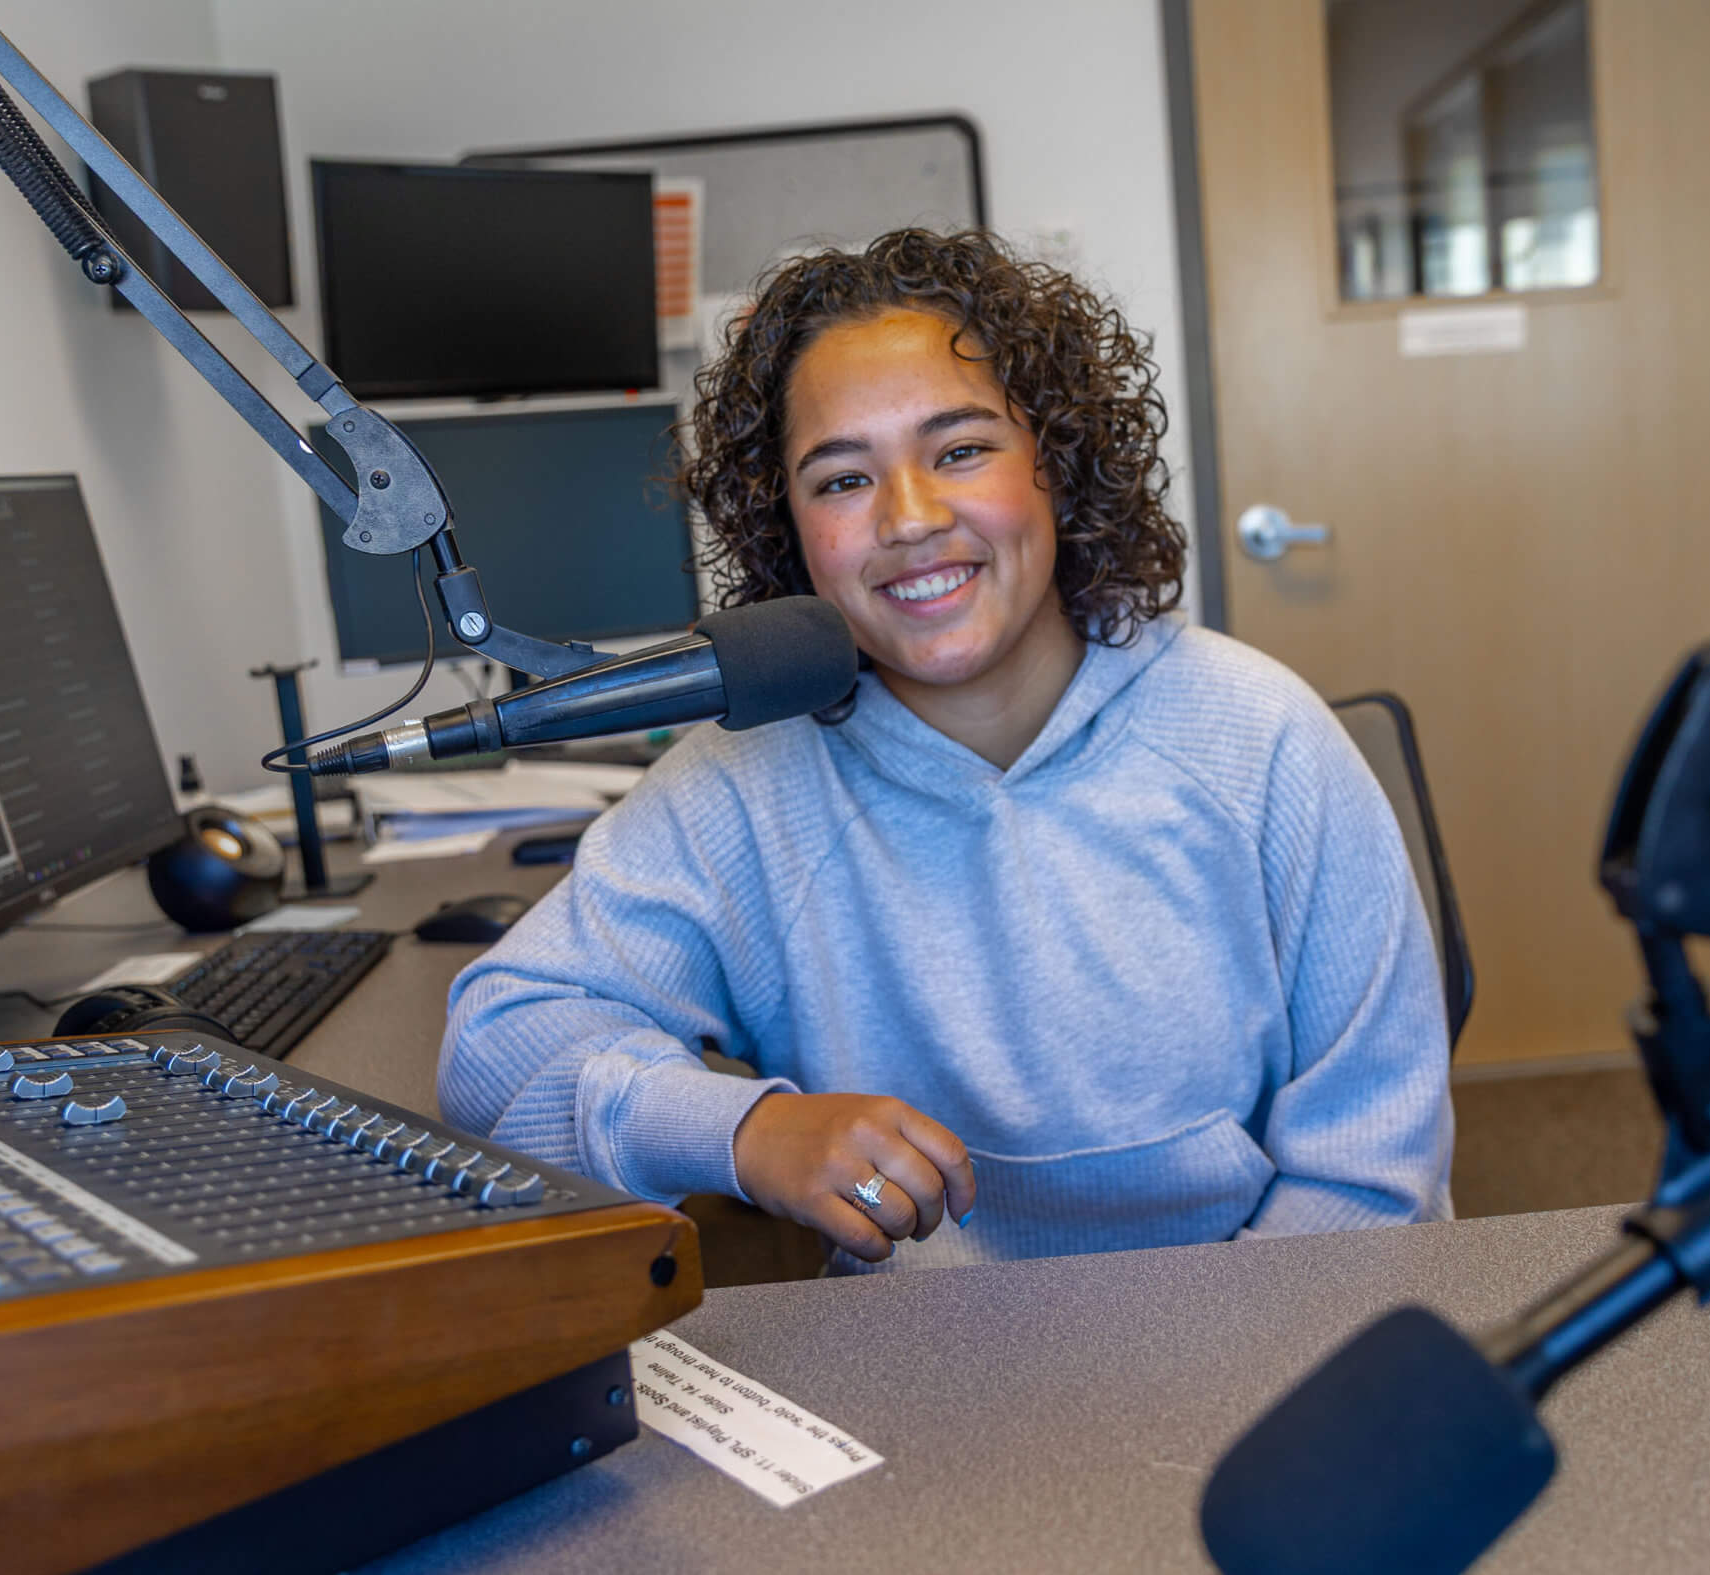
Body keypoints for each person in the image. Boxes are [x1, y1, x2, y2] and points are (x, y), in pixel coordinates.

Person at [439, 228, 1452, 1270]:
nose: (910, 519)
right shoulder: (750, 784)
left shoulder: (1260, 738)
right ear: (786, 528)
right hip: (920, 1379)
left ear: (1055, 465)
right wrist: (744, 1133)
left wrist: (1211, 1396)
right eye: (841, 480)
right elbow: (497, 1050)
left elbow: (1369, 1177)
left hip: (1268, 1349)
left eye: (960, 450)